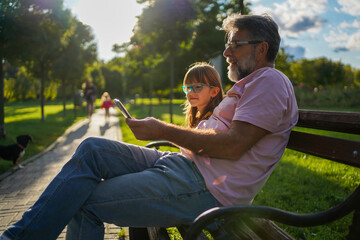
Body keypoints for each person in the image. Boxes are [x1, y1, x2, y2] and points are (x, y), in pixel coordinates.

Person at [0, 14, 298, 240]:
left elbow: (234, 145)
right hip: (182, 165)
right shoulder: (248, 86)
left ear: (261, 50)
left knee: (82, 200)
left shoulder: (269, 81)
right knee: (93, 148)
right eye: (227, 44)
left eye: (235, 44)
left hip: (203, 188)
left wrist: (162, 130)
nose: (227, 52)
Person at [182, 62, 224, 128]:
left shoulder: (213, 122)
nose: (190, 92)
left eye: (198, 87)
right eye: (188, 87)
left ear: (214, 92)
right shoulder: (198, 118)